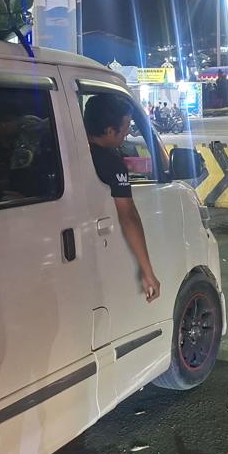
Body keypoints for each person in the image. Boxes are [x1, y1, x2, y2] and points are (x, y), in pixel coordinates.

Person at [84, 94, 161, 301]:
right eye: (125, 128)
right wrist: (147, 271)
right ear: (110, 131)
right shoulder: (111, 163)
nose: (127, 134)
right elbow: (128, 216)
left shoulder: (68, 149)